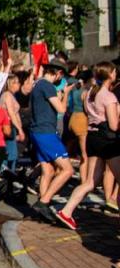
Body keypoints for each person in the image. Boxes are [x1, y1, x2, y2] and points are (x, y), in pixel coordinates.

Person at [56, 61, 120, 230]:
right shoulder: (109, 96)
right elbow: (114, 125)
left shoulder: (89, 92)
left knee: (91, 181)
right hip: (107, 139)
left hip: (92, 137)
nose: (115, 74)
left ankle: (66, 211)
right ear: (110, 75)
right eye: (114, 72)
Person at [29, 61, 76, 223]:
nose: (61, 79)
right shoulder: (47, 86)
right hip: (46, 132)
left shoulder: (37, 84)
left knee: (47, 171)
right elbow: (61, 110)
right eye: (61, 75)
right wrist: (66, 93)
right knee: (68, 170)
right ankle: (43, 202)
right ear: (57, 73)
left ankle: (42, 207)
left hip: (37, 131)